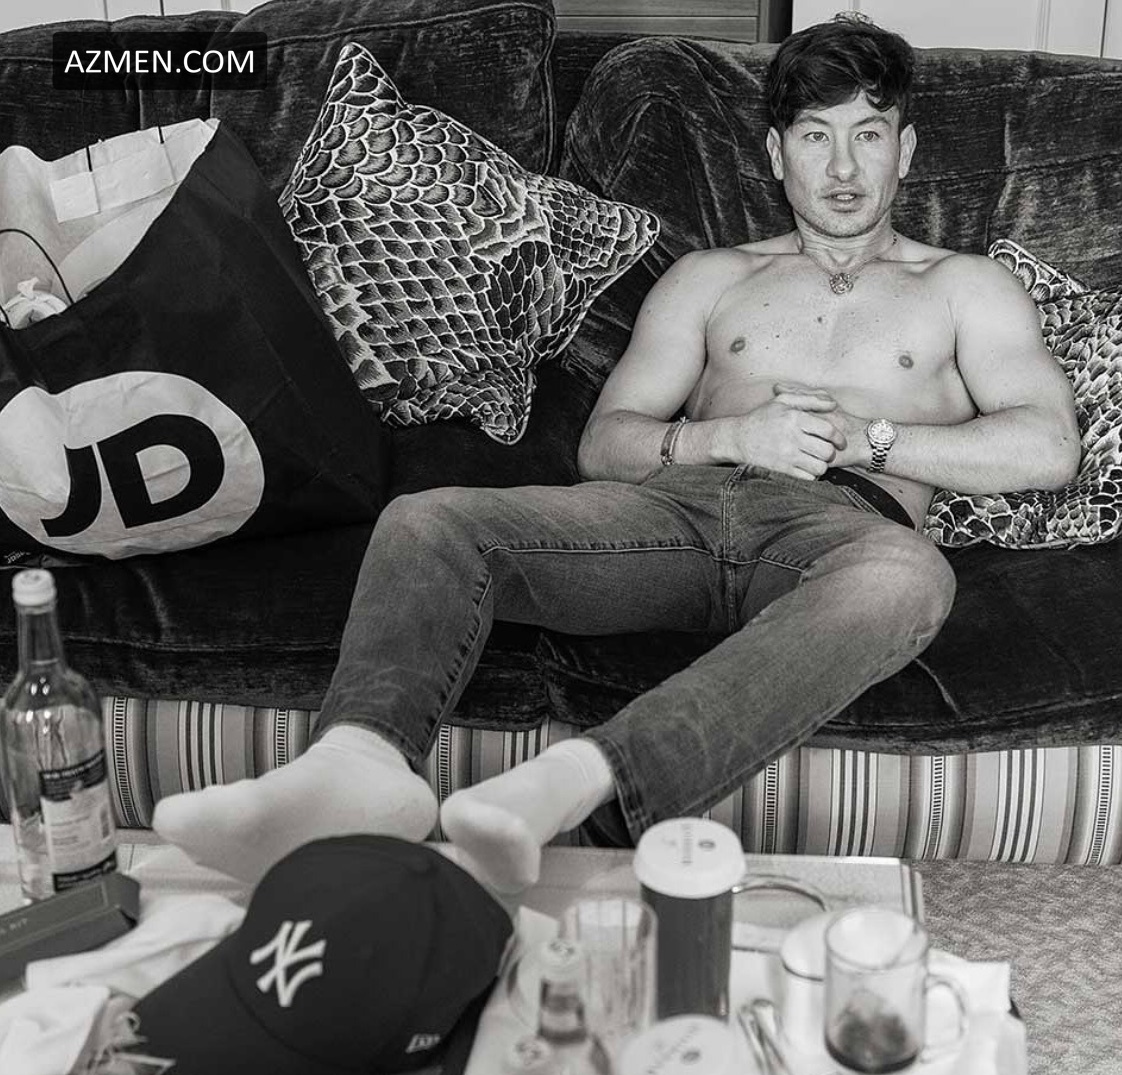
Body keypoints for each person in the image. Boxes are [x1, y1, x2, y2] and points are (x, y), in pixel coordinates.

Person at [154, 18, 1078, 896]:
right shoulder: (711, 278)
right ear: (775, 154)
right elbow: (606, 442)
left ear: (905, 151)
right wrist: (725, 437)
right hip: (671, 512)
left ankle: (579, 784)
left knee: (907, 580)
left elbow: (1049, 446)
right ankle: (355, 767)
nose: (843, 167)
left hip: (842, 528)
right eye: (814, 136)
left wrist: (871, 439)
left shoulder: (964, 287)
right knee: (430, 520)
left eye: (868, 135)